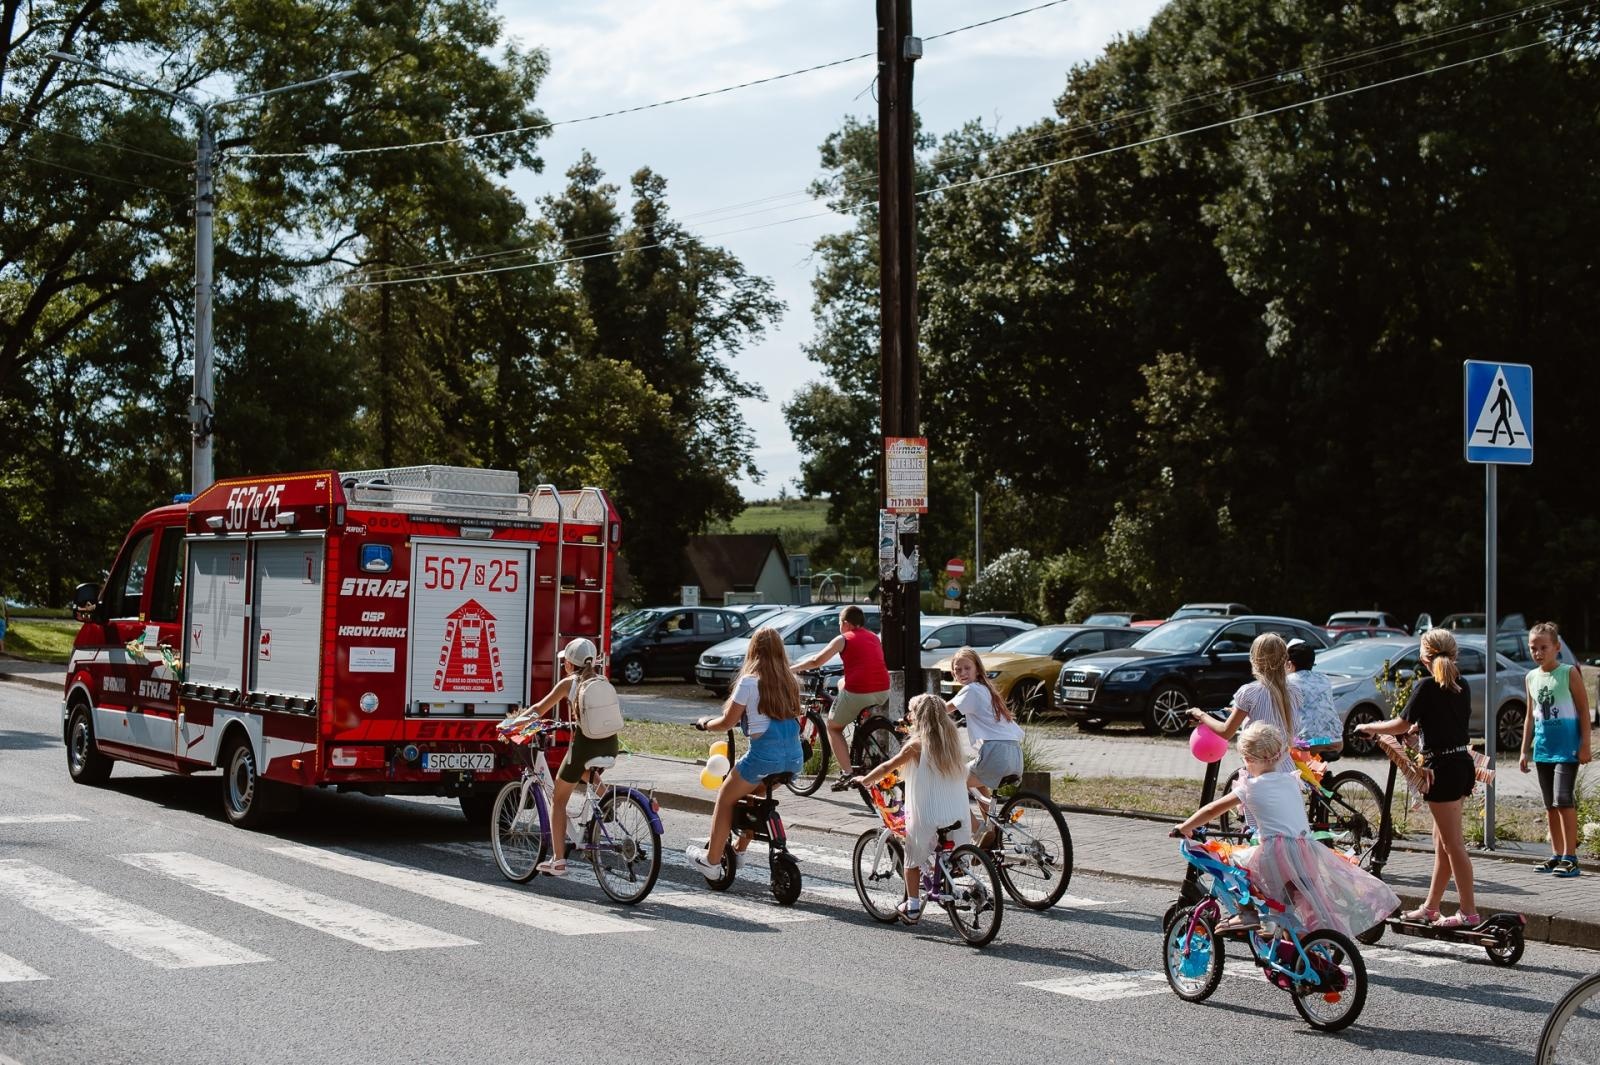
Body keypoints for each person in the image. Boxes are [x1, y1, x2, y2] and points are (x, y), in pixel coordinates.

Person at [1176, 722, 1398, 938]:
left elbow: (1212, 809)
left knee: (1230, 865)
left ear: (1248, 759)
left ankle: (1246, 913)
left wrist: (1185, 827)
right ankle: (1301, 945)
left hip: (1275, 855)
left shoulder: (1249, 787)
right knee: (1291, 902)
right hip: (1306, 854)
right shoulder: (1291, 781)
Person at [1355, 627, 1479, 927]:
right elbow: (1442, 722)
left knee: (1454, 845)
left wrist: (1371, 727)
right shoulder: (1461, 684)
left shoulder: (1426, 685)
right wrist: (1418, 731)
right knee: (1442, 844)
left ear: (1424, 657)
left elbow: (1400, 724)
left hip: (1441, 771)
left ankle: (1468, 912)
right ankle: (1431, 907)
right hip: (1461, 765)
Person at [687, 627, 804, 876]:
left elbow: (727, 722)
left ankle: (712, 860)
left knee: (726, 797)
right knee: (755, 799)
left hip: (763, 757)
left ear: (753, 650)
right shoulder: (791, 681)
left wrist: (705, 724)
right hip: (793, 759)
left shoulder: (749, 682)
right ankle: (739, 851)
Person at [501, 637, 618, 876]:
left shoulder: (569, 683)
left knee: (559, 800)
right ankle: (607, 802)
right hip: (610, 745)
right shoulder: (602, 680)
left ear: (568, 664)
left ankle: (558, 860)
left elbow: (538, 710)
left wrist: (512, 724)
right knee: (585, 771)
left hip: (584, 748)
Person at [851, 693, 972, 924]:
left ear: (918, 717)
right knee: (949, 854)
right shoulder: (952, 740)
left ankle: (913, 905)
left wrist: (864, 779)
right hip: (957, 811)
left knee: (912, 856)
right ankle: (953, 876)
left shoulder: (916, 745)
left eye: (911, 712)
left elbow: (888, 766)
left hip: (928, 812)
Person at [790, 605, 891, 789]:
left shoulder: (843, 638)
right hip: (883, 690)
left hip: (859, 692)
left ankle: (847, 773)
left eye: (839, 623)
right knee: (841, 682)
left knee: (833, 727)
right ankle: (861, 729)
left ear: (845, 623)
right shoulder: (873, 637)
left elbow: (816, 661)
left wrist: (791, 669)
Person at [1520, 621, 1592, 878]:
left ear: (1557, 647)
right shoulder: (1530, 677)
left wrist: (1586, 744)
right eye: (1533, 648)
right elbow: (1530, 716)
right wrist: (1524, 750)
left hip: (1567, 749)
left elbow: (1584, 710)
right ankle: (1555, 853)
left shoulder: (1568, 672)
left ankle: (1571, 857)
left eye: (1543, 647)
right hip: (1543, 750)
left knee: (1563, 799)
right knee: (1550, 804)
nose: (1538, 653)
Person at [1188, 632, 1300, 773]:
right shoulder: (1294, 690)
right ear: (1285, 659)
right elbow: (1273, 716)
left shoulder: (1250, 692)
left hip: (1259, 770)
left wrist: (1200, 714)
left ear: (1255, 658)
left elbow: (1226, 731)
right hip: (1287, 769)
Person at [947, 647, 1024, 814]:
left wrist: (913, 715)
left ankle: (974, 829)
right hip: (1015, 756)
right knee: (978, 782)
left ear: (977, 669)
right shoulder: (986, 689)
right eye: (958, 670)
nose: (962, 673)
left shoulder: (971, 690)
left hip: (996, 754)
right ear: (953, 674)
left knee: (950, 783)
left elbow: (943, 709)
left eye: (967, 668)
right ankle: (990, 830)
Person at [1285, 638, 1343, 754]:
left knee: (1285, 745)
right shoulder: (1325, 679)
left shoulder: (1287, 682)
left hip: (1308, 744)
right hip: (1336, 741)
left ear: (1290, 664)